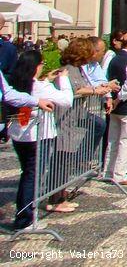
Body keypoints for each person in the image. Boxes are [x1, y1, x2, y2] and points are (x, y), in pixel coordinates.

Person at [5, 50, 74, 229]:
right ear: (36, 66)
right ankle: (25, 218)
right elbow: (67, 100)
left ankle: (24, 215)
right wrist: (63, 79)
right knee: (32, 176)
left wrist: (47, 80)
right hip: (38, 135)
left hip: (19, 134)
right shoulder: (39, 87)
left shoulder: (17, 82)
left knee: (27, 174)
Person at [104, 32, 127, 185]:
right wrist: (119, 99)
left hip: (115, 105)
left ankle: (108, 170)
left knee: (113, 140)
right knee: (126, 141)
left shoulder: (114, 59)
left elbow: (107, 79)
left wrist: (111, 99)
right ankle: (120, 174)